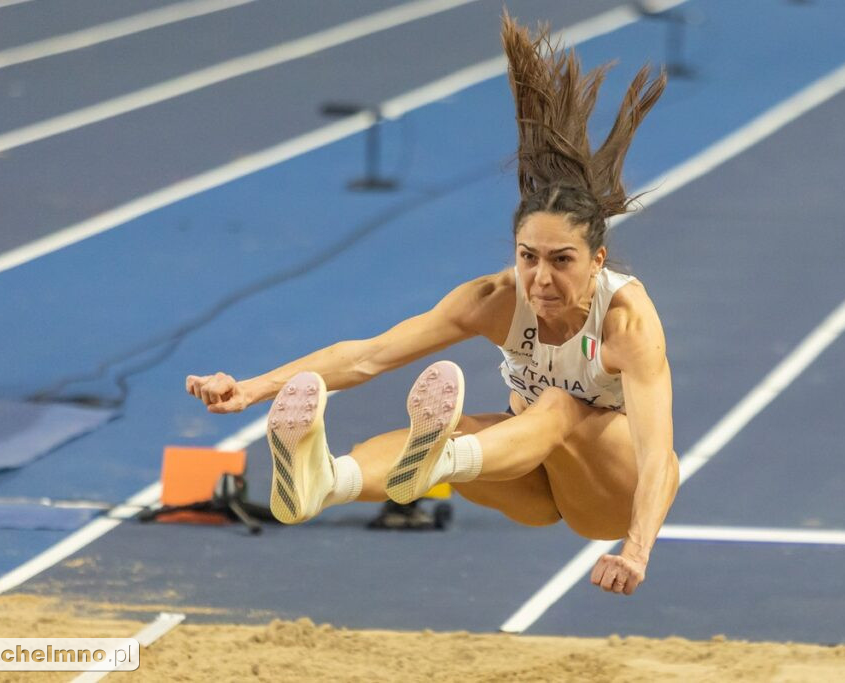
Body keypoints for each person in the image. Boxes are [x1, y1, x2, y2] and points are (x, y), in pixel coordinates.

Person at [186, 14, 677, 597]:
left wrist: (638, 549)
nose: (540, 279)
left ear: (597, 261)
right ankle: (327, 483)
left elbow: (661, 460)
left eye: (562, 260)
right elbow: (368, 357)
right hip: (527, 476)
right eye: (528, 257)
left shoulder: (625, 320)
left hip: (609, 496)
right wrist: (253, 388)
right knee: (455, 432)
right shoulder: (495, 300)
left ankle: (439, 462)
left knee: (557, 407)